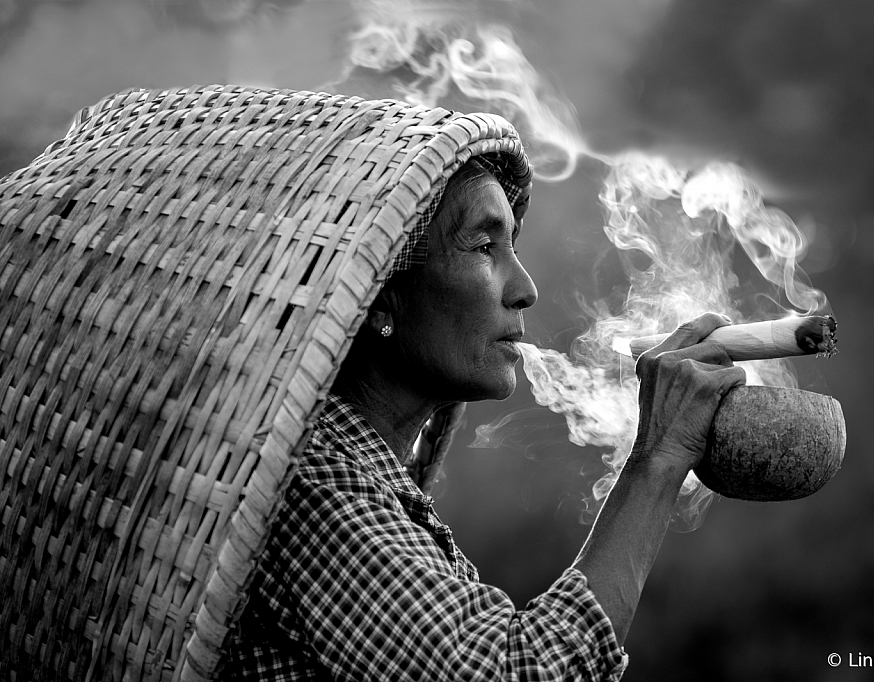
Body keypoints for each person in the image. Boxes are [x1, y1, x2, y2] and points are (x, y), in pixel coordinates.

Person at [223, 156, 746, 680]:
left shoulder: (361, 477)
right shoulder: (316, 486)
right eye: (482, 247)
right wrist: (657, 460)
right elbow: (521, 672)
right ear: (378, 296)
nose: (525, 289)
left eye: (512, 245)